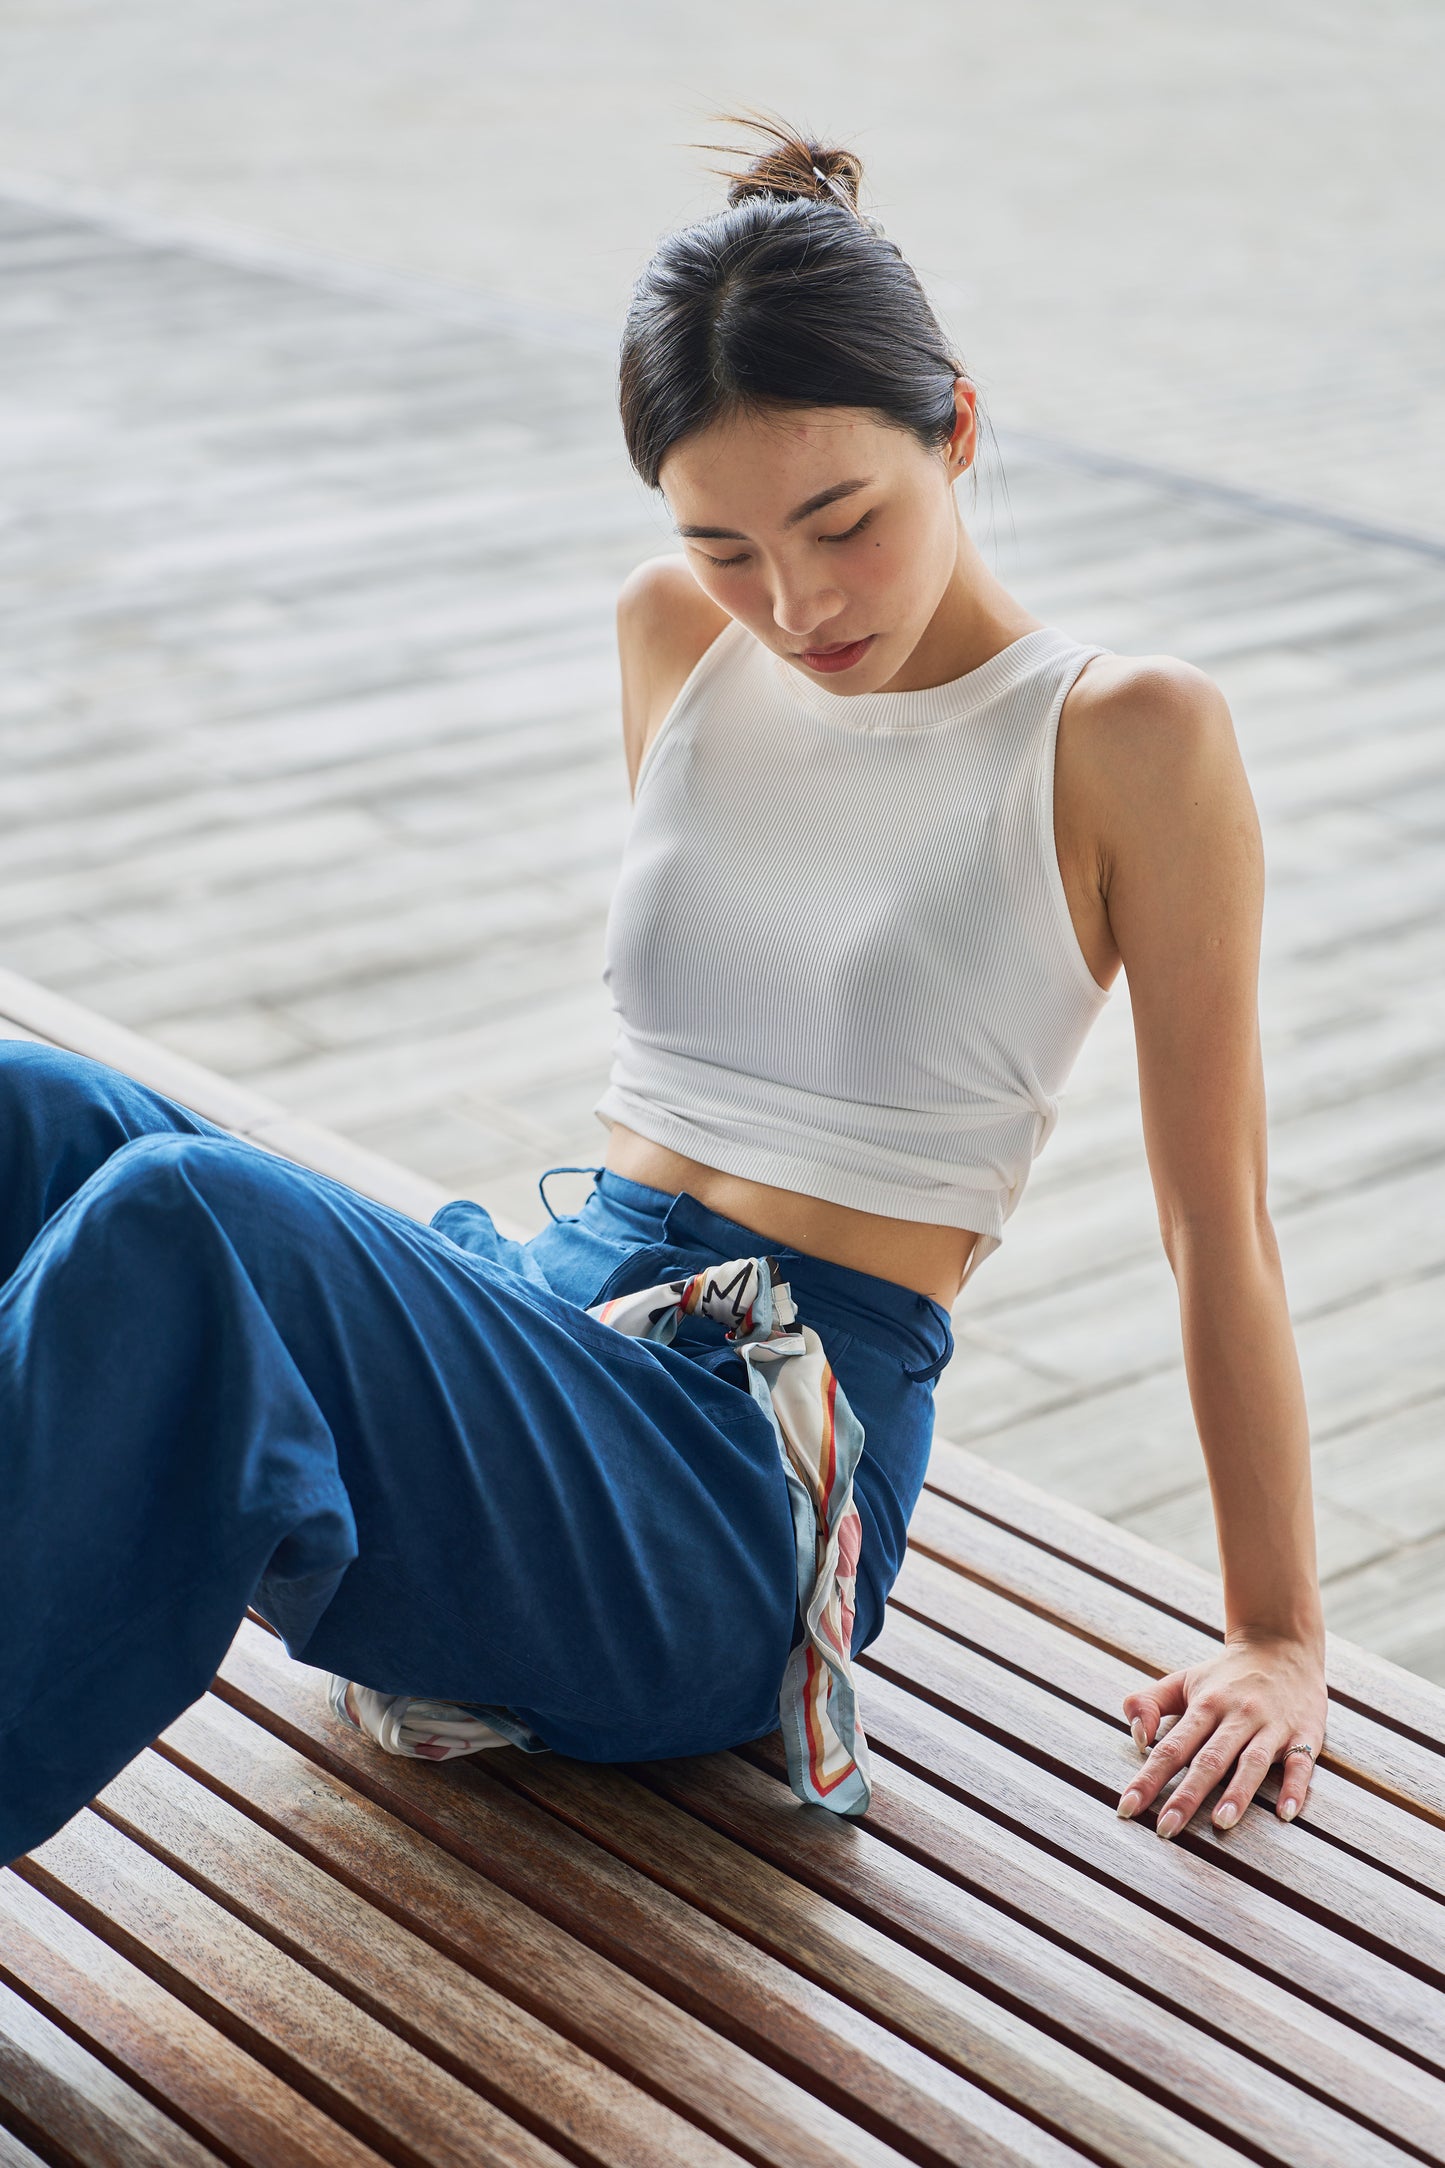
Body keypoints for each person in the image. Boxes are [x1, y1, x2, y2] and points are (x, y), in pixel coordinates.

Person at [0, 116, 1326, 1866]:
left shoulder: (1121, 737)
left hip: (734, 1500)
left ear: (961, 428)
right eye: (725, 546)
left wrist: (1275, 1635)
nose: (791, 600)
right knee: (33, 1111)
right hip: (565, 1341)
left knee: (192, 1219)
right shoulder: (674, 639)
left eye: (840, 521)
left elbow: (1213, 1224)